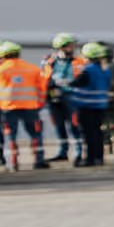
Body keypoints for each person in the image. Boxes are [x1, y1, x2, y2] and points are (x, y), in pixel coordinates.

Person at [0, 42, 50, 171]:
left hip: (8, 108)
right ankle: (39, 161)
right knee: (35, 134)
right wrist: (41, 103)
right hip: (30, 107)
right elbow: (42, 88)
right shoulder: (33, 68)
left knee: (10, 136)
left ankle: (12, 163)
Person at [72, 43, 114, 166]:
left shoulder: (88, 70)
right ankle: (99, 158)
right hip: (101, 105)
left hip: (87, 106)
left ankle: (90, 159)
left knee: (88, 134)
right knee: (97, 132)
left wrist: (63, 84)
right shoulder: (106, 69)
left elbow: (75, 83)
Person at [43, 34, 82, 162]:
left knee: (75, 125)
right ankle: (63, 151)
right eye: (70, 45)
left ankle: (78, 152)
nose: (73, 48)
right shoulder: (50, 62)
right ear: (61, 47)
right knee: (59, 125)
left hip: (72, 96)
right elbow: (43, 77)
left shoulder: (79, 61)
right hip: (53, 97)